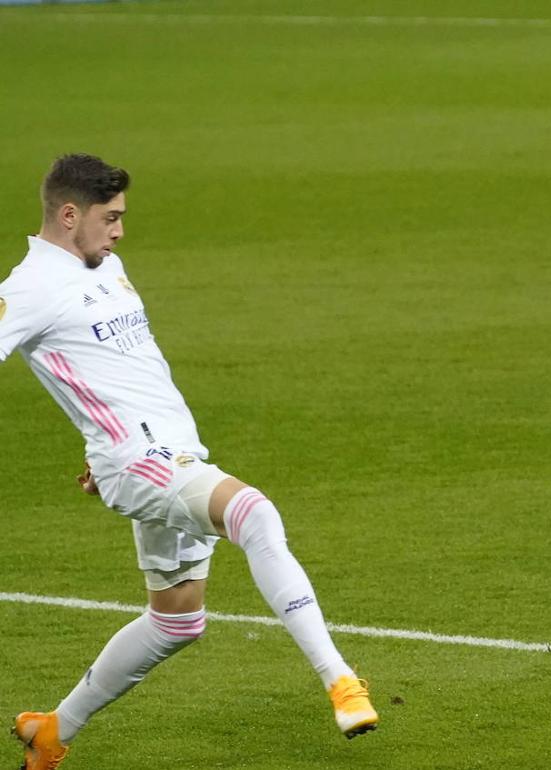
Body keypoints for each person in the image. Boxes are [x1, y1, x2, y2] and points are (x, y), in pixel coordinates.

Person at [2, 155, 378, 769]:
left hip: (164, 453)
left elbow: (114, 373)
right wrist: (115, 455)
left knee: (176, 621)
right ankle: (340, 680)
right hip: (139, 461)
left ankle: (52, 732)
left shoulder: (108, 267)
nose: (120, 230)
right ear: (70, 215)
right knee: (254, 514)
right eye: (111, 217)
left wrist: (101, 445)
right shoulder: (28, 289)